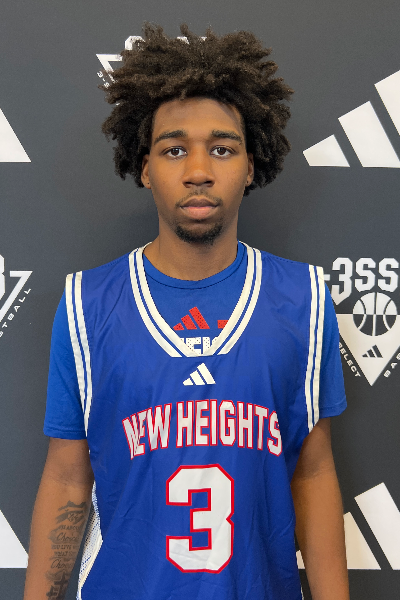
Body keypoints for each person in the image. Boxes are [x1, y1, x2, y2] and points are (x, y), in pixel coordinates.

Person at [23, 23, 349, 600]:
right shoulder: (86, 305)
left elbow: (314, 470)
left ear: (251, 165)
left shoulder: (303, 300)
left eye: (222, 148)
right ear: (145, 166)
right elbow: (68, 480)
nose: (198, 170)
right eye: (174, 149)